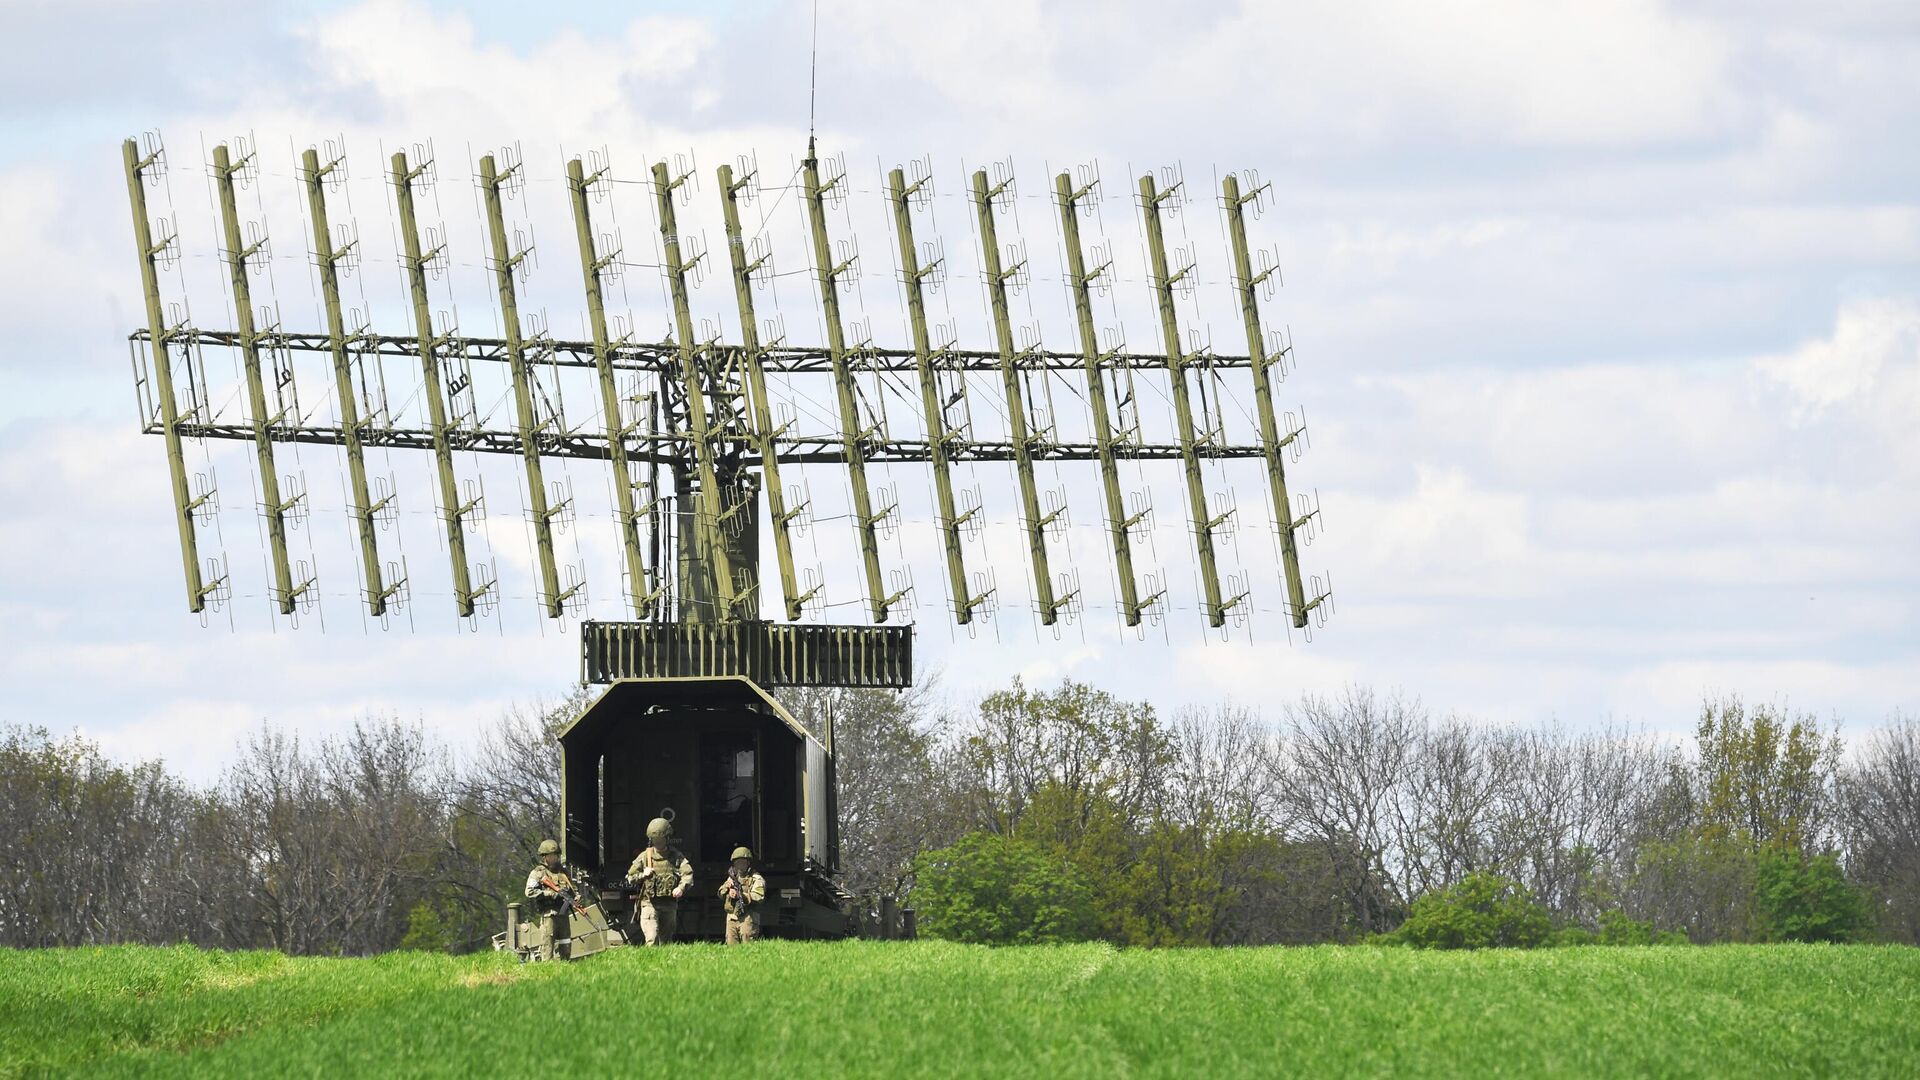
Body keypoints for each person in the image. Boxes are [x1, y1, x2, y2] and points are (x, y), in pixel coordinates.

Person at [625, 816, 693, 945]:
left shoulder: (676, 856)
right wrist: (642, 875)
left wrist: (681, 887)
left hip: (669, 904)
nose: (658, 842)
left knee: (666, 941)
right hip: (649, 903)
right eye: (655, 840)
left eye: (660, 839)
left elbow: (688, 874)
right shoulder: (645, 856)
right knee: (652, 938)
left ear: (667, 838)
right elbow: (629, 877)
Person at [717, 846, 767, 944]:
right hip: (732, 917)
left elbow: (758, 896)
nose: (740, 865)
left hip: (748, 918)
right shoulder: (732, 878)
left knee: (748, 947)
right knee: (731, 948)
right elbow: (720, 893)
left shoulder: (756, 879)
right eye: (737, 863)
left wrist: (741, 896)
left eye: (742, 862)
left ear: (748, 863)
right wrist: (727, 890)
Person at [524, 838, 576, 915]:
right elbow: (529, 892)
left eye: (557, 854)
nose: (556, 857)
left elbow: (572, 889)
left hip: (563, 916)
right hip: (548, 915)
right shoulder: (538, 873)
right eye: (553, 855)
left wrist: (576, 897)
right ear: (545, 856)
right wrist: (550, 893)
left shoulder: (562, 872)